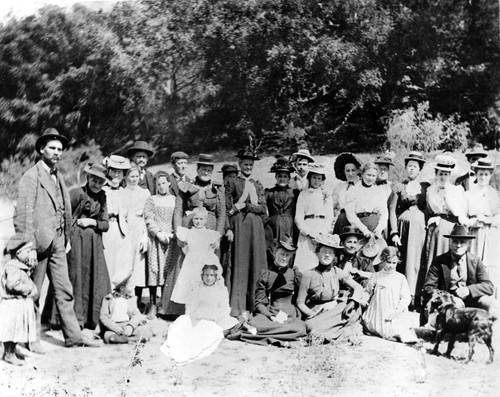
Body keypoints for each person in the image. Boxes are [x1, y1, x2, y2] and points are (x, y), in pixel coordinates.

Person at [13, 128, 100, 350]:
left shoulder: (58, 176)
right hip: (38, 245)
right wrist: (27, 246)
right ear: (42, 150)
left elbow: (64, 210)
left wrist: (66, 237)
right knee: (33, 292)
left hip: (59, 243)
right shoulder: (31, 177)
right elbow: (23, 214)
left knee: (64, 290)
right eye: (52, 148)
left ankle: (74, 337)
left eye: (60, 149)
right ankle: (31, 339)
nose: (57, 153)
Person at [229, 234, 307, 346]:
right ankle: (282, 334)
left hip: (289, 314)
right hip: (271, 311)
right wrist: (271, 316)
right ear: (275, 253)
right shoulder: (266, 274)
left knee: (300, 328)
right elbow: (259, 302)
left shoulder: (294, 274)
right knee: (257, 325)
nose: (284, 258)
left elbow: (300, 296)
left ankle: (281, 333)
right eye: (281, 254)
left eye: (287, 255)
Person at [161, 264, 239, 365]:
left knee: (212, 331)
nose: (208, 278)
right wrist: (195, 318)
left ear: (216, 277)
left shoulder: (221, 290)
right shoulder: (197, 289)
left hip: (215, 317)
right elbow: (191, 307)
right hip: (199, 316)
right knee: (184, 325)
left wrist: (214, 318)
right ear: (202, 276)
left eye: (211, 275)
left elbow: (224, 309)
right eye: (206, 275)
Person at [296, 233, 365, 343]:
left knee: (356, 308)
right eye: (324, 251)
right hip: (317, 313)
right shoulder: (308, 274)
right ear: (317, 253)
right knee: (310, 325)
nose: (327, 255)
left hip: (335, 310)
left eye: (330, 253)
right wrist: (312, 314)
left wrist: (352, 302)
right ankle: (342, 332)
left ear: (334, 256)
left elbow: (358, 287)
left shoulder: (337, 272)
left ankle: (330, 333)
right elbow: (300, 303)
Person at [225, 142, 268, 316]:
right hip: (239, 226)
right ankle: (238, 305)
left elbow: (263, 208)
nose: (248, 167)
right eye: (245, 164)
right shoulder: (232, 182)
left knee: (256, 262)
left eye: (251, 165)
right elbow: (228, 208)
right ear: (240, 165)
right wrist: (228, 227)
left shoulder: (257, 185)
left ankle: (255, 304)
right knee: (240, 263)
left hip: (255, 227)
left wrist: (245, 205)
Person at [418, 154, 466, 308]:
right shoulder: (431, 189)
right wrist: (434, 217)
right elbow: (430, 209)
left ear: (450, 175)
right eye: (440, 174)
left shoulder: (456, 190)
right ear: (436, 174)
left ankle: (448, 296)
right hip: (434, 227)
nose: (443, 177)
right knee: (431, 259)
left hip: (449, 225)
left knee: (446, 260)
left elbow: (459, 211)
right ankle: (430, 296)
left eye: (446, 174)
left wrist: (448, 195)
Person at [67, 163, 110, 329]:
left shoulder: (103, 197)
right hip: (76, 242)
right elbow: (65, 216)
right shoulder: (77, 193)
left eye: (101, 182)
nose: (97, 184)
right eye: (94, 180)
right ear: (88, 178)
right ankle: (74, 319)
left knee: (96, 278)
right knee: (76, 277)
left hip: (94, 245)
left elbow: (105, 225)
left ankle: (91, 319)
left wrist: (92, 221)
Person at [422, 224, 496, 321]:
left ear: (468, 244)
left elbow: (489, 286)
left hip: (472, 300)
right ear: (450, 243)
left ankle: (492, 333)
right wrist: (450, 298)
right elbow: (429, 288)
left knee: (492, 303)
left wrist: (469, 290)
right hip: (449, 303)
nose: (458, 245)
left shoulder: (475, 261)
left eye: (462, 242)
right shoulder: (439, 261)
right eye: (455, 242)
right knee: (452, 310)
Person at [388, 151, 429, 306]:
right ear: (405, 168)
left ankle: (416, 297)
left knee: (418, 261)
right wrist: (394, 232)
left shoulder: (426, 188)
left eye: (415, 166)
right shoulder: (399, 187)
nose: (412, 169)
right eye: (409, 166)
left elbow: (430, 208)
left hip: (419, 230)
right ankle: (402, 298)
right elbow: (392, 210)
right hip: (403, 230)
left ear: (420, 169)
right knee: (404, 261)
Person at [461, 158, 500, 295]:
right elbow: (462, 216)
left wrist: (488, 220)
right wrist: (472, 222)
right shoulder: (468, 194)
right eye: (480, 174)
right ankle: (473, 296)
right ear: (476, 174)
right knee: (473, 264)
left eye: (486, 174)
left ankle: (492, 298)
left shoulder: (495, 195)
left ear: (490, 175)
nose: (483, 177)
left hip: (491, 235)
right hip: (474, 234)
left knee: (490, 265)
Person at [362, 247, 418, 343]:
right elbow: (368, 291)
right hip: (377, 310)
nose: (391, 266)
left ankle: (394, 333)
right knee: (373, 326)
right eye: (389, 262)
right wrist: (364, 299)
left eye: (394, 263)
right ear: (382, 261)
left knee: (395, 330)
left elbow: (406, 298)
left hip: (393, 310)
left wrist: (397, 310)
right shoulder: (376, 276)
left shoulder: (400, 278)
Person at [171, 207, 221, 305]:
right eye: (196, 219)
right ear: (192, 219)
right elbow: (184, 248)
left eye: (201, 219)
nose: (198, 221)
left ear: (206, 220)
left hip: (204, 263)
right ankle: (190, 310)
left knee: (203, 285)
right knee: (191, 285)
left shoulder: (210, 234)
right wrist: (191, 255)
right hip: (191, 264)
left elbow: (211, 250)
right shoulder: (188, 232)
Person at [0, 237, 37, 365]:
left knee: (17, 330)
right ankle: (8, 354)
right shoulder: (12, 267)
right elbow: (12, 285)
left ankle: (13, 350)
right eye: (27, 251)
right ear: (18, 253)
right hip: (12, 304)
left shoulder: (20, 265)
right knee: (11, 330)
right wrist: (27, 289)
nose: (29, 254)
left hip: (18, 304)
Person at [144, 171, 176, 319]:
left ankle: (165, 304)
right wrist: (158, 233)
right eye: (158, 184)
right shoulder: (152, 199)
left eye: (164, 183)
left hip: (171, 240)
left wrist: (172, 233)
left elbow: (178, 218)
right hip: (156, 240)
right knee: (155, 270)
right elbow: (149, 218)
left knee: (167, 271)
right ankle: (153, 304)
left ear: (169, 183)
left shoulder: (175, 200)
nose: (161, 186)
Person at [294, 163, 334, 273]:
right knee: (306, 259)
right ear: (310, 178)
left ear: (322, 180)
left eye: (319, 178)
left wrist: (322, 233)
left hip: (321, 229)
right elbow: (298, 218)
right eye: (314, 178)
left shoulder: (326, 195)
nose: (316, 181)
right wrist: (309, 233)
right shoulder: (303, 194)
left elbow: (329, 216)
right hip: (308, 229)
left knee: (319, 257)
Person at [173, 153, 226, 236]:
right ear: (197, 170)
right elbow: (178, 211)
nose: (206, 173)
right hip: (189, 229)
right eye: (203, 170)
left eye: (209, 170)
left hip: (210, 231)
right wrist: (178, 233)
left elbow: (221, 214)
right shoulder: (186, 187)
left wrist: (218, 235)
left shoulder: (217, 188)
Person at [344, 162, 388, 259]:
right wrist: (363, 230)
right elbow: (350, 213)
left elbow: (384, 213)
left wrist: (379, 229)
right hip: (360, 229)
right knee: (359, 257)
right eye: (368, 175)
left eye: (373, 176)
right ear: (362, 174)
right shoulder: (354, 190)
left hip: (376, 229)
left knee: (379, 256)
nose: (370, 178)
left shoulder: (379, 192)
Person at [121, 165, 151, 308]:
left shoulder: (145, 193)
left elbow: (148, 215)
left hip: (140, 229)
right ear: (125, 177)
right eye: (131, 176)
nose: (134, 179)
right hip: (126, 229)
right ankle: (124, 299)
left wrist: (145, 236)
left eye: (136, 176)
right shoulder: (121, 192)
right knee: (125, 264)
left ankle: (138, 301)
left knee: (139, 266)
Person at [102, 155, 133, 288]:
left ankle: (120, 298)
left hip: (122, 232)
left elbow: (130, 216)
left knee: (123, 266)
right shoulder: (102, 191)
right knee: (108, 263)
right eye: (113, 170)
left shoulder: (126, 193)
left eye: (119, 172)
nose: (116, 174)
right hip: (107, 230)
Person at [99, 275, 152, 344]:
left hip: (127, 324)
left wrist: (130, 326)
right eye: (131, 286)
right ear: (122, 288)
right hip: (114, 327)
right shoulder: (107, 299)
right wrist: (115, 328)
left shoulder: (131, 299)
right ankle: (131, 339)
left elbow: (137, 315)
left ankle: (126, 339)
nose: (134, 287)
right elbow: (104, 317)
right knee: (108, 336)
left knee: (144, 331)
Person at [264, 157, 299, 255]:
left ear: (289, 178)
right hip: (273, 226)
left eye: (285, 176)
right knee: (274, 250)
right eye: (280, 176)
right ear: (276, 177)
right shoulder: (269, 193)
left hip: (289, 225)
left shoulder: (295, 193)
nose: (282, 179)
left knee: (288, 249)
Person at [332, 152, 361, 235]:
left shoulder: (361, 186)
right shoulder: (340, 187)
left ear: (358, 171)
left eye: (353, 170)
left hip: (357, 219)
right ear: (344, 172)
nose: (350, 173)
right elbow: (333, 206)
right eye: (348, 171)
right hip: (342, 219)